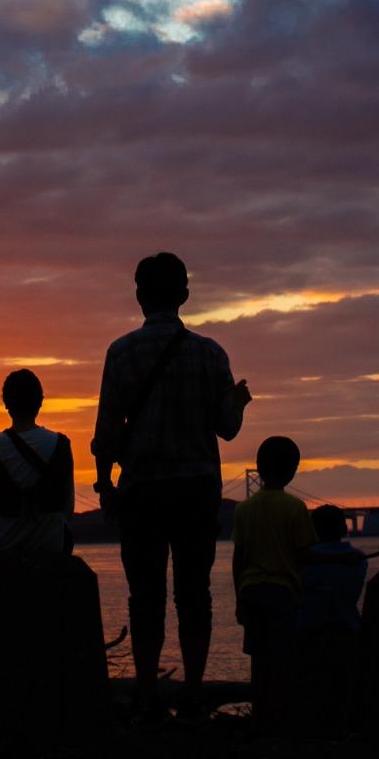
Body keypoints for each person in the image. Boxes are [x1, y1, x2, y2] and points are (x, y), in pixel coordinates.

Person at [91, 251, 251, 720]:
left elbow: (106, 432)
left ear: (140, 296)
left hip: (141, 490)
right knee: (194, 593)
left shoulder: (120, 353)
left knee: (146, 596)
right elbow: (227, 428)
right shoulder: (211, 353)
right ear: (184, 294)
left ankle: (145, 694)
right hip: (197, 490)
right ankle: (195, 693)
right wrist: (239, 399)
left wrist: (106, 487)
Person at [231, 435, 316, 733]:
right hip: (283, 592)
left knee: (259, 658)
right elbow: (305, 554)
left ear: (258, 467)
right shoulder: (296, 508)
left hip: (251, 591)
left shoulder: (243, 510)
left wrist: (239, 599)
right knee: (283, 658)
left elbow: (238, 560)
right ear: (293, 470)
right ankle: (282, 721)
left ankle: (260, 718)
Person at [0, 368, 74, 554]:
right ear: (40, 401)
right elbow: (67, 508)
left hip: (3, 551)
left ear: (6, 403)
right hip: (51, 551)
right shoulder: (61, 445)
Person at [300, 504, 368, 632]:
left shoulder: (301, 559)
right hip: (349, 626)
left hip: (309, 629)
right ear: (345, 528)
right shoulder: (359, 558)